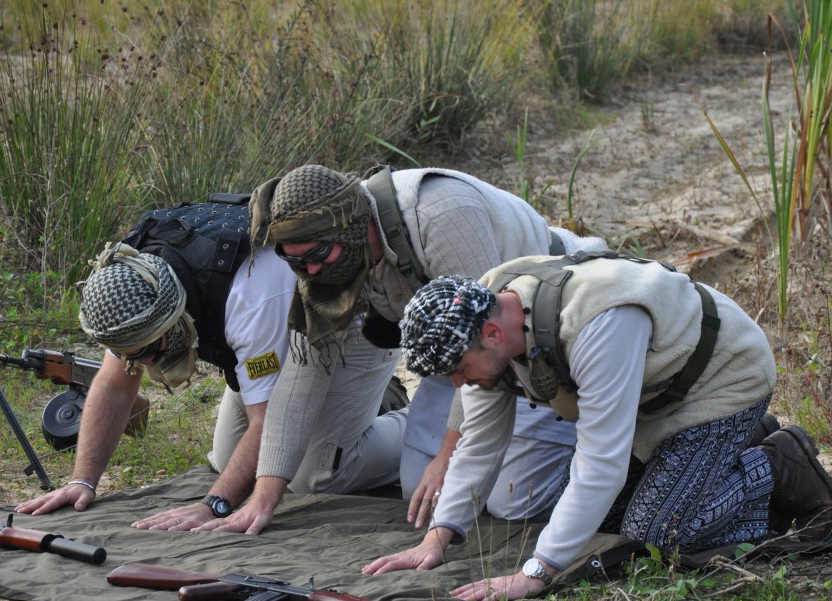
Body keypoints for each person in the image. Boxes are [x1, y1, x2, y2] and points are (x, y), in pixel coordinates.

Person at [362, 255, 832, 601]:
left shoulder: (597, 324)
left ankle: (773, 463)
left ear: (492, 335)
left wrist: (537, 572)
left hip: (720, 383)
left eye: (459, 369)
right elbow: (481, 443)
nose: (458, 382)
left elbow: (600, 462)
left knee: (656, 536)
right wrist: (439, 537)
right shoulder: (486, 315)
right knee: (597, 526)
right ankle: (723, 462)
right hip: (649, 398)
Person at [196, 164, 600, 535]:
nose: (312, 270)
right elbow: (305, 373)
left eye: (318, 255)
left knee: (511, 499)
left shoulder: (441, 217)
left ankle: (599, 448)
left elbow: (482, 341)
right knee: (419, 494)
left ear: (352, 226)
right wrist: (263, 501)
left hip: (537, 335)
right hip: (459, 358)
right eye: (293, 259)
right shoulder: (320, 259)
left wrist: (450, 454)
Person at [16, 200, 299, 530]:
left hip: (339, 336)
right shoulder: (135, 291)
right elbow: (112, 384)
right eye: (131, 354)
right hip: (262, 354)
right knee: (229, 462)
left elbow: (267, 421)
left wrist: (212, 505)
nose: (144, 361)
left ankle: (374, 412)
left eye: (150, 349)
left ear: (174, 315)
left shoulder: (249, 296)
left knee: (318, 473)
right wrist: (82, 482)